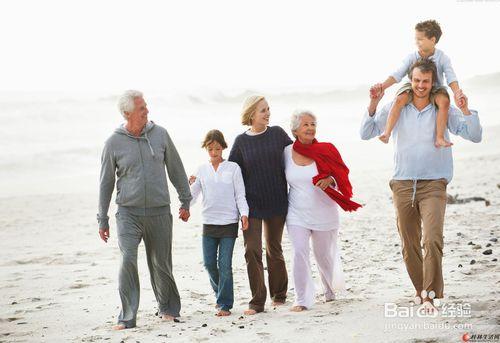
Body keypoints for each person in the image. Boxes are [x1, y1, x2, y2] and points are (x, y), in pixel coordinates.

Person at [360, 59, 482, 313]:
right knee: (409, 243)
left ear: (432, 82)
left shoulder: (442, 108)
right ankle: (420, 290)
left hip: (434, 183)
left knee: (433, 238)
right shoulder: (398, 105)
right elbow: (367, 131)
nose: (421, 86)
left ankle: (430, 296)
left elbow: (474, 135)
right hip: (403, 183)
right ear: (411, 80)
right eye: (416, 81)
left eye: (426, 81)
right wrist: (373, 102)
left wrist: (466, 109)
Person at [97, 90, 192, 329]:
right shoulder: (113, 142)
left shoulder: (160, 135)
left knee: (161, 262)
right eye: (142, 108)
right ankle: (128, 316)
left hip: (159, 210)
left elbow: (176, 169)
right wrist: (102, 218)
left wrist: (185, 200)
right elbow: (105, 182)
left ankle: (168, 307)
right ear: (128, 113)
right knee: (128, 260)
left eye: (146, 106)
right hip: (128, 212)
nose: (147, 111)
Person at [284, 110, 361, 311]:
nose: (310, 128)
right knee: (299, 252)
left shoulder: (327, 149)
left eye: (313, 124)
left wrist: (331, 180)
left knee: (323, 255)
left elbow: (342, 174)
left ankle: (329, 290)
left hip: (324, 212)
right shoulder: (285, 152)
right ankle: (301, 299)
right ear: (295, 130)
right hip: (296, 213)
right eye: (305, 125)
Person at [228, 95, 292, 315]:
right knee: (252, 249)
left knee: (273, 248)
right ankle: (257, 302)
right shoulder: (240, 142)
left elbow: (296, 158)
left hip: (276, 201)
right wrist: (199, 177)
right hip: (251, 205)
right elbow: (232, 175)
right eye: (263, 110)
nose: (267, 113)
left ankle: (279, 294)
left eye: (268, 109)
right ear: (251, 114)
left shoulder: (278, 134)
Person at [372, 19, 465, 147]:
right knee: (399, 99)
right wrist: (382, 87)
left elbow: (451, 77)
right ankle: (387, 133)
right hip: (413, 87)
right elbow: (397, 74)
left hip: (435, 88)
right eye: (416, 39)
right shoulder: (412, 57)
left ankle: (439, 137)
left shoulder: (442, 58)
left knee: (444, 102)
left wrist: (457, 93)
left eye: (420, 39)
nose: (417, 42)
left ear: (432, 40)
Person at [189, 129, 249, 316]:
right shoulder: (201, 170)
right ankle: (220, 294)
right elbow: (192, 196)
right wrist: (184, 205)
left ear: (223, 147)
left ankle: (224, 304)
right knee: (208, 264)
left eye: (217, 148)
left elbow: (240, 194)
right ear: (206, 149)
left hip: (229, 223)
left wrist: (244, 214)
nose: (214, 152)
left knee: (224, 264)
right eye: (210, 149)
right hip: (209, 223)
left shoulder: (233, 168)